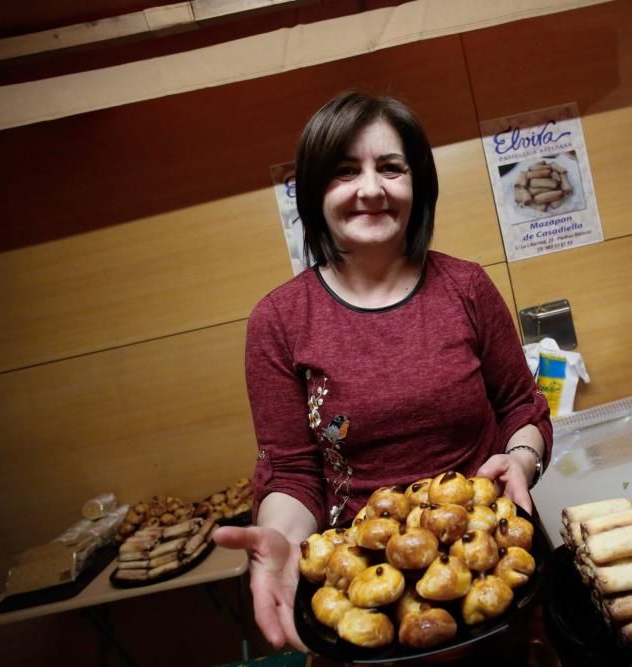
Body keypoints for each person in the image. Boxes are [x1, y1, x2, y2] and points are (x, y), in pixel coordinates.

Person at [213, 91, 553, 652]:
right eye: (345, 172)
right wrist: (278, 535)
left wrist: (521, 461)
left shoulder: (467, 287)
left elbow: (521, 406)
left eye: (390, 168)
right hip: (366, 598)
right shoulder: (278, 320)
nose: (371, 189)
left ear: (417, 183)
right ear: (316, 189)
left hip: (490, 570)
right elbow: (295, 473)